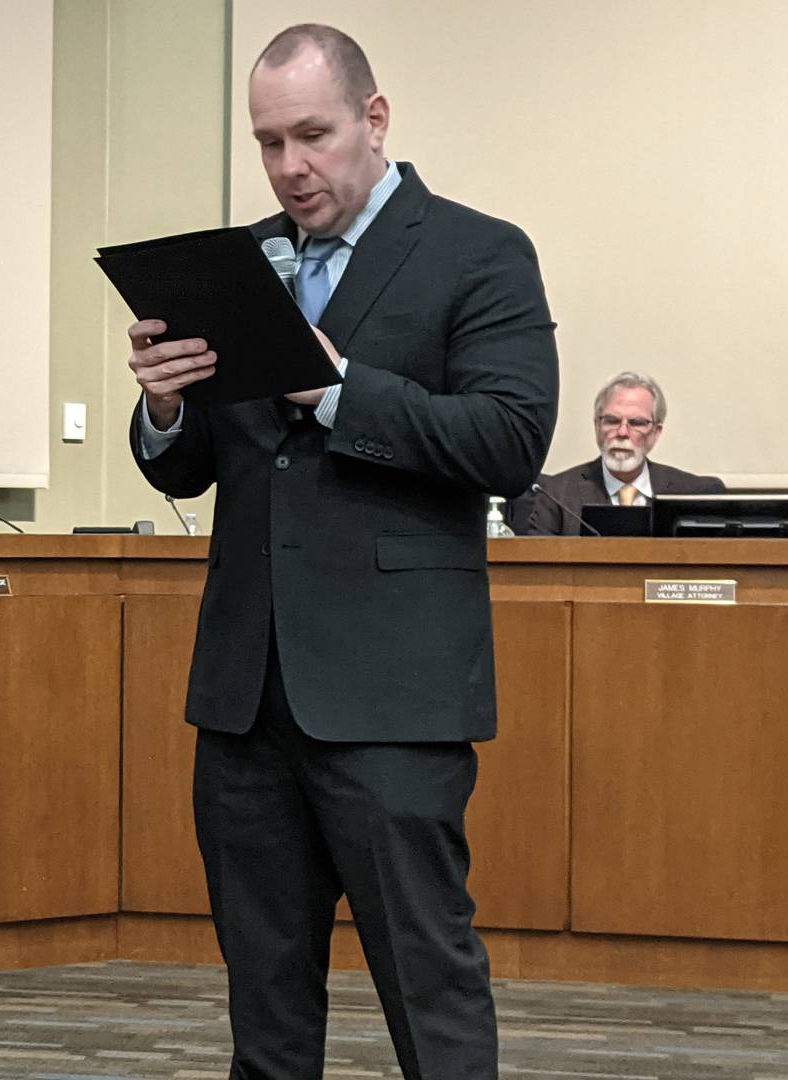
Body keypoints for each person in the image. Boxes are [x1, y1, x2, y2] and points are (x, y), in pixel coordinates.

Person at [126, 24, 558, 1080]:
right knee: (263, 1003)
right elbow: (198, 471)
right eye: (268, 143)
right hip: (245, 699)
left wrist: (338, 390)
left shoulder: (478, 251)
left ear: (374, 119)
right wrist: (165, 410)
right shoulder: (237, 266)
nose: (289, 168)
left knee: (429, 985)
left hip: (394, 698)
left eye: (311, 137)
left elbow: (511, 440)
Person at [527, 371, 725, 535]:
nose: (622, 433)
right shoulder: (557, 494)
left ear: (656, 433)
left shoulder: (693, 494)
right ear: (597, 426)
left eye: (637, 423)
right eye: (612, 421)